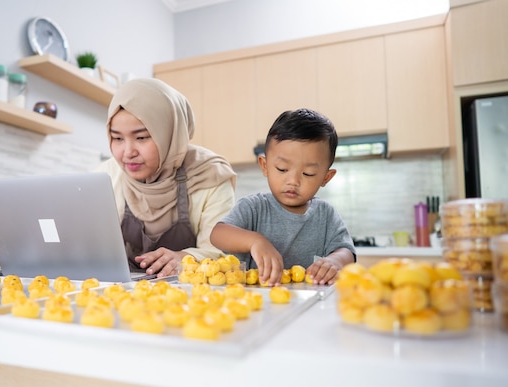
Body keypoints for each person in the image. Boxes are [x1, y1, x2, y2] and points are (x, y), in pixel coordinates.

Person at [95, 78, 236, 278]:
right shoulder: (106, 175)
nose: (128, 152)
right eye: (117, 138)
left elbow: (224, 254)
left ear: (171, 132)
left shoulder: (210, 175)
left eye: (141, 137)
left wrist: (185, 258)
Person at [210, 108, 356, 286]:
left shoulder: (326, 215)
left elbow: (346, 250)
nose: (293, 181)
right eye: (282, 169)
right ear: (265, 166)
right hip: (257, 300)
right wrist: (255, 241)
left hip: (308, 303)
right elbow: (217, 234)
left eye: (308, 173)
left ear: (326, 177)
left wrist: (336, 261)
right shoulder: (254, 207)